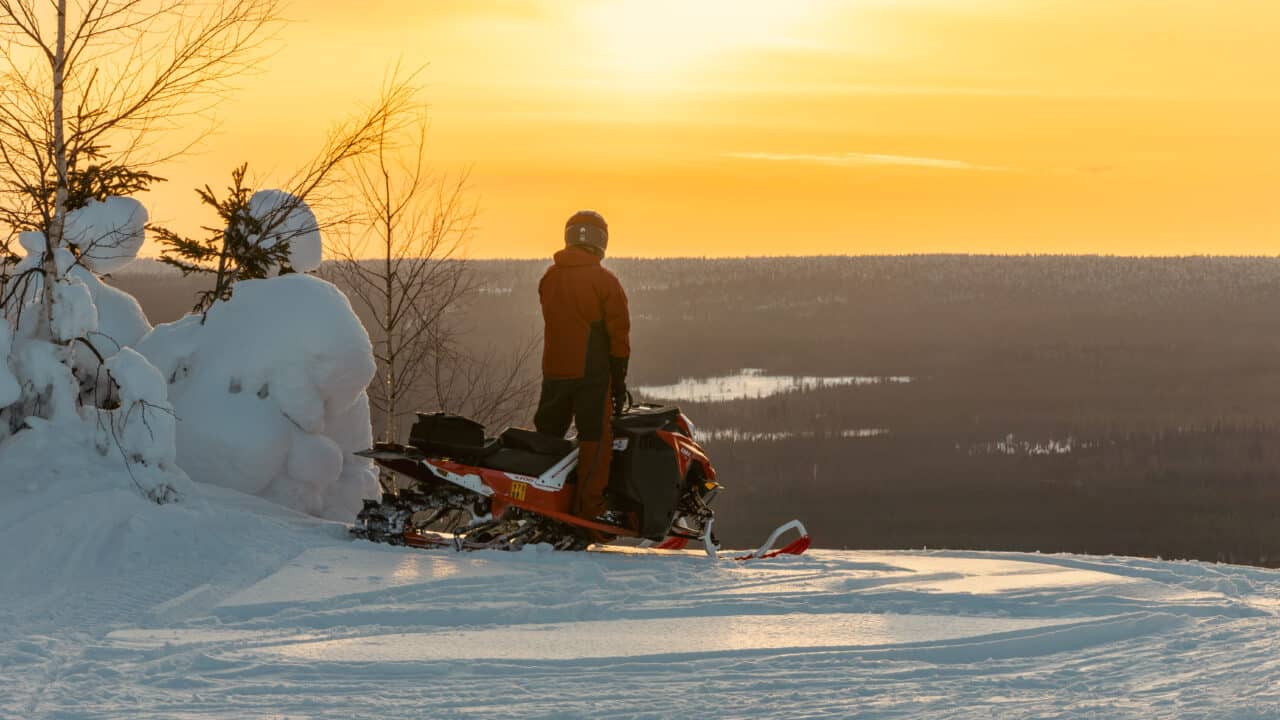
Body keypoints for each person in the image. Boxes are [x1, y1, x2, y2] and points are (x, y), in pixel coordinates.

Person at [534, 209, 630, 525]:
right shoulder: (604, 281)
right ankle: (591, 510)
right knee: (595, 441)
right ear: (601, 240)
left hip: (554, 372)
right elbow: (619, 335)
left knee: (547, 437)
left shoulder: (549, 278)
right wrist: (618, 381)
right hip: (591, 373)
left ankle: (538, 500)